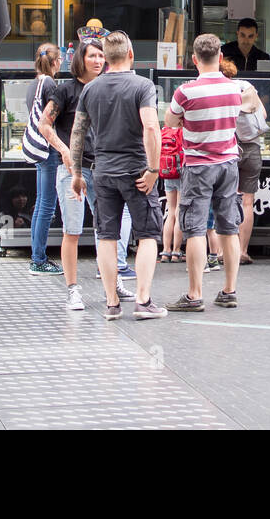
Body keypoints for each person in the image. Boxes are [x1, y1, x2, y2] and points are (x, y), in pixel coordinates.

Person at [68, 31, 167, 321]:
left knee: (106, 237)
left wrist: (76, 172)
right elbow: (151, 128)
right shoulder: (142, 86)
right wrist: (153, 168)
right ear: (131, 55)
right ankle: (143, 300)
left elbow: (78, 131)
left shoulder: (91, 89)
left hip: (103, 172)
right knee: (148, 235)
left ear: (107, 59)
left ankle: (112, 303)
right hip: (137, 172)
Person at [165, 33, 245, 311]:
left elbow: (170, 121)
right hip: (228, 164)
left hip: (198, 166)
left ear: (194, 59)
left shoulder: (185, 92)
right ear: (221, 57)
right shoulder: (236, 89)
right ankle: (229, 290)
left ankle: (194, 294)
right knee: (229, 228)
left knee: (196, 229)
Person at [38, 36, 107, 311]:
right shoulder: (66, 90)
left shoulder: (106, 89)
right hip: (70, 170)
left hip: (102, 168)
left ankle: (112, 283)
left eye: (101, 57)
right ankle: (72, 289)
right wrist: (64, 150)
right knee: (73, 231)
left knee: (107, 231)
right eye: (93, 56)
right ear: (81, 59)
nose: (98, 61)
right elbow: (45, 124)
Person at [220, 56, 267, 265]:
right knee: (247, 202)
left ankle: (223, 251)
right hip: (252, 147)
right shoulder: (247, 86)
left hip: (229, 148)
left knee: (225, 199)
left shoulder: (219, 89)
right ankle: (243, 250)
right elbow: (263, 114)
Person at [27, 43, 65, 277]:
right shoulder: (50, 83)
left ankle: (36, 256)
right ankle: (38, 259)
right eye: (60, 59)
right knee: (47, 205)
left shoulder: (35, 83)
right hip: (49, 149)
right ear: (55, 61)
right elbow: (52, 118)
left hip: (38, 150)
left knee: (41, 203)